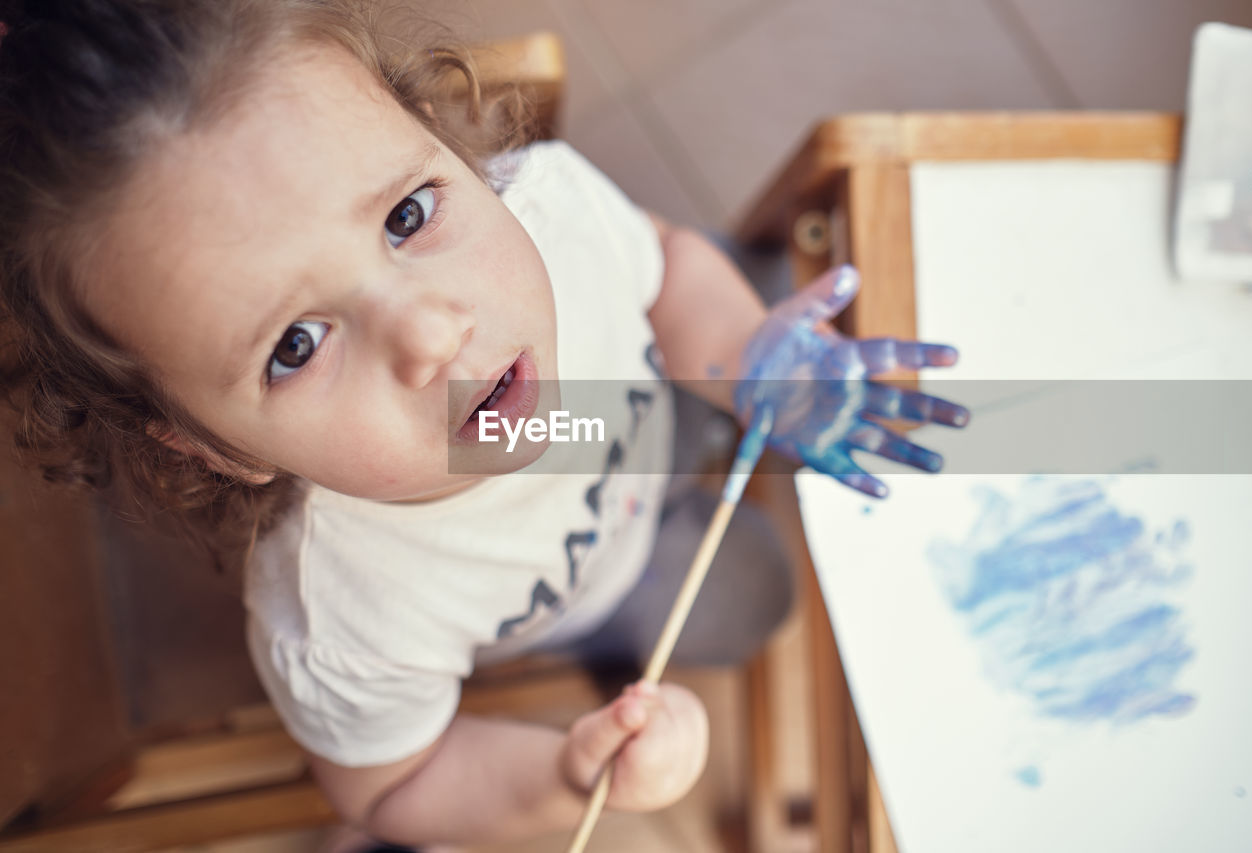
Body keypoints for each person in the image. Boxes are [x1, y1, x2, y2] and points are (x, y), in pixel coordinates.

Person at [0, 1, 967, 848]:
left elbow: (666, 266)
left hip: (662, 402)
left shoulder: (552, 209)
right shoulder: (341, 620)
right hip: (610, 578)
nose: (432, 331)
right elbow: (391, 783)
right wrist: (569, 774)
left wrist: (751, 361)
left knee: (754, 292)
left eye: (409, 215)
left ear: (440, 135)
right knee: (751, 591)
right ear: (212, 448)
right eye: (296, 344)